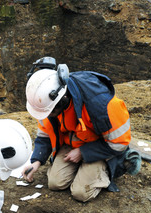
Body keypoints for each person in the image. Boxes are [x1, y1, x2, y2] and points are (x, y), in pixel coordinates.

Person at [22, 57, 141, 202]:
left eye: (50, 113)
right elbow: (45, 134)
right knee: (55, 183)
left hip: (102, 147)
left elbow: (118, 144)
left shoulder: (103, 105)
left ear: (63, 100)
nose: (47, 116)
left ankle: (121, 161)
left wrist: (83, 152)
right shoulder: (46, 102)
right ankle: (83, 168)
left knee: (80, 193)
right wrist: (36, 161)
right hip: (73, 141)